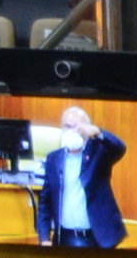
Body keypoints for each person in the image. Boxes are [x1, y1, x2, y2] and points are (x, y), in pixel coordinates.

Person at [35, 104, 127, 249]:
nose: (73, 131)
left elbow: (119, 147)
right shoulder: (54, 159)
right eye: (68, 127)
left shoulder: (98, 153)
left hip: (98, 239)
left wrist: (98, 132)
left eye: (78, 127)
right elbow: (45, 202)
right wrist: (44, 238)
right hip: (64, 237)